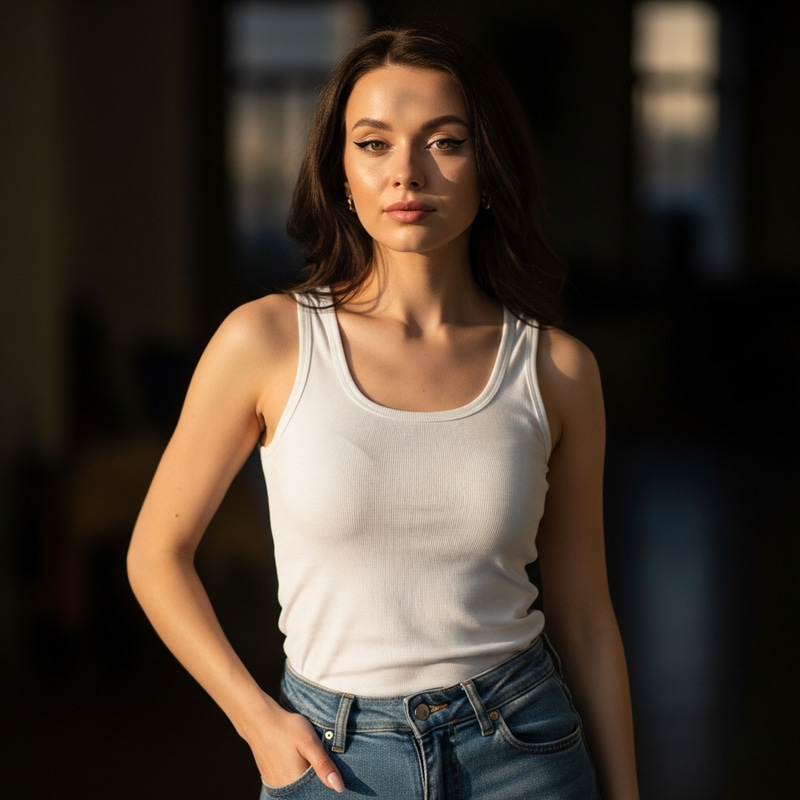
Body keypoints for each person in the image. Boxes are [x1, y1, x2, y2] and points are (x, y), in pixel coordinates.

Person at [128, 25, 639, 800]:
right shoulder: (265, 340)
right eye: (373, 144)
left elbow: (587, 616)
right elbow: (155, 556)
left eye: (445, 141)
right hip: (333, 762)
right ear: (340, 171)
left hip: (523, 745)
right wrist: (256, 721)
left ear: (489, 168)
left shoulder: (558, 369)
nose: (406, 173)